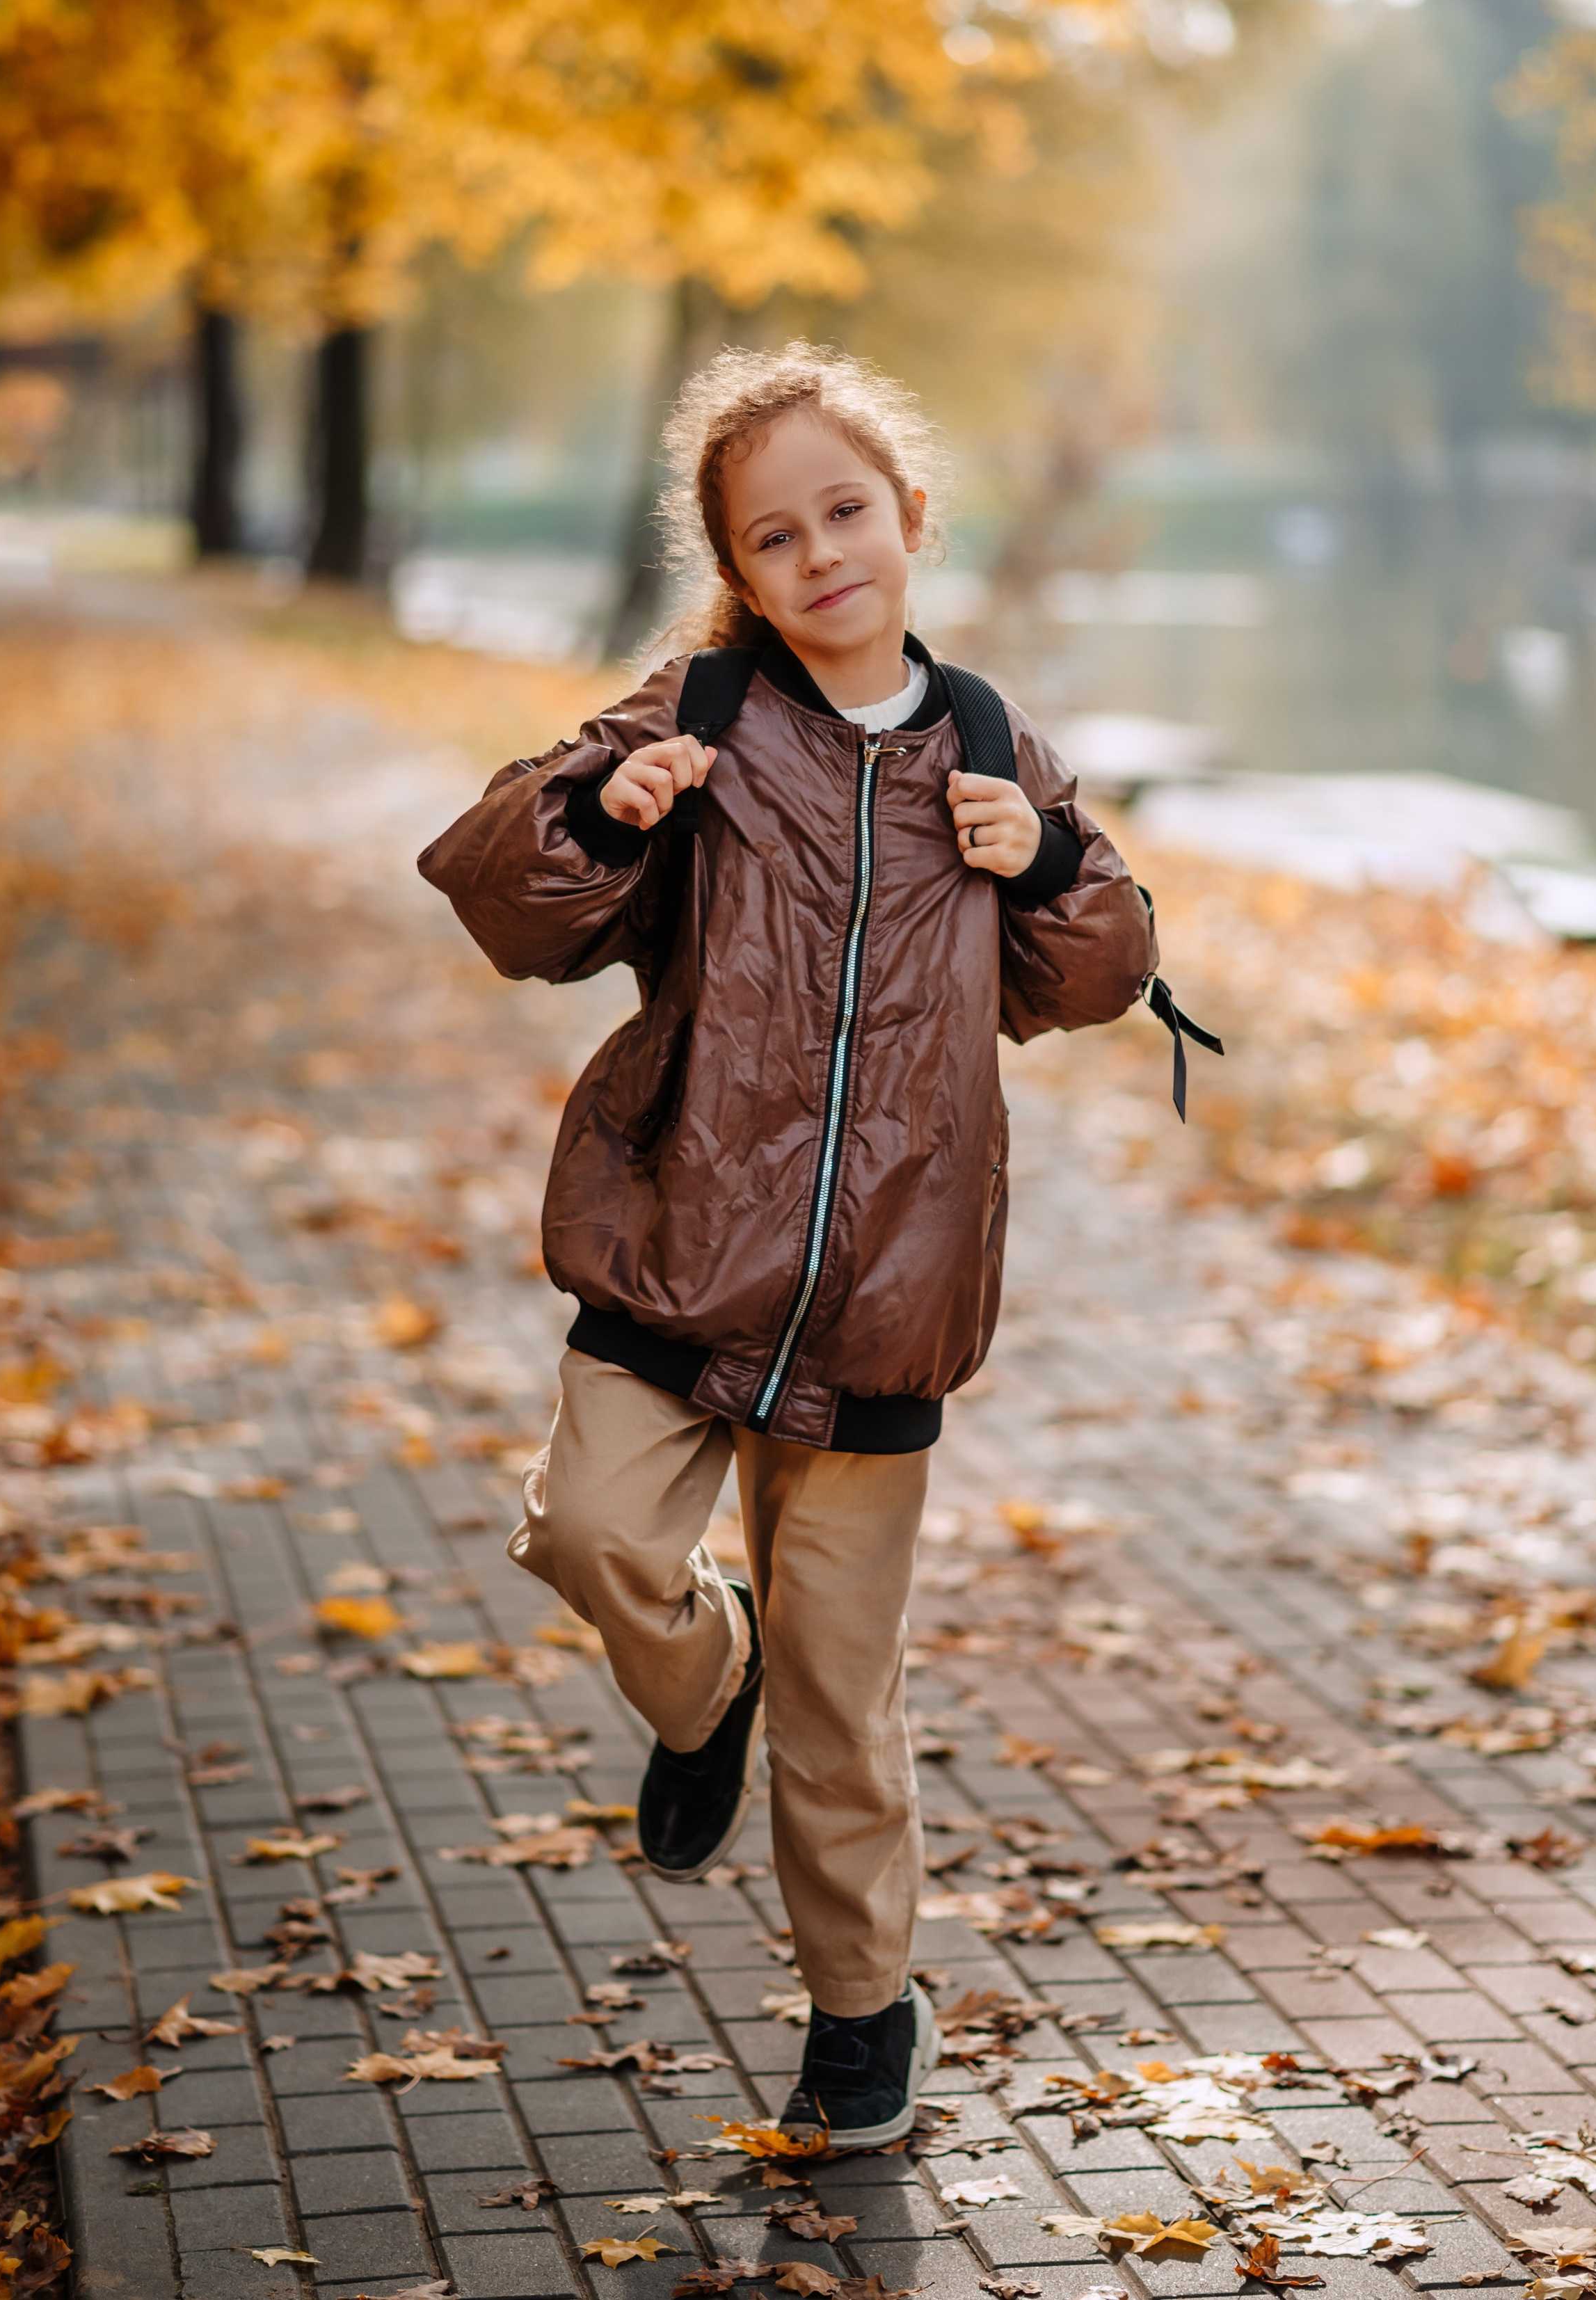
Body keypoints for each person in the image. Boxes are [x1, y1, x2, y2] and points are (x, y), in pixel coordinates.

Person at [418, 343, 1156, 2146]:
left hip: (886, 1302)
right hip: (682, 1243)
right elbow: (507, 885)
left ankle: (859, 2010)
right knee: (589, 1528)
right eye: (777, 533)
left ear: (909, 518)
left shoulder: (988, 745)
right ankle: (696, 1669)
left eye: (847, 511)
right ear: (739, 571)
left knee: (843, 1701)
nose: (822, 552)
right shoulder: (703, 713)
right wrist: (607, 812)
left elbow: (1103, 971)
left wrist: (1047, 855)